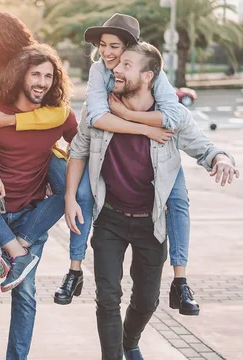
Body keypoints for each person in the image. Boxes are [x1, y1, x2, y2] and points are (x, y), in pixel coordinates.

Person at [66, 41, 239, 360]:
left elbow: (204, 146)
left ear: (147, 76)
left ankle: (129, 342)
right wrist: (70, 197)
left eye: (126, 65)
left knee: (147, 301)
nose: (116, 68)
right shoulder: (99, 109)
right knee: (107, 297)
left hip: (152, 223)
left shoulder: (172, 116)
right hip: (110, 218)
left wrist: (222, 159)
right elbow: (78, 149)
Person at [70, 13, 199, 315]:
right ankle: (74, 269)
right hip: (105, 166)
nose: (107, 52)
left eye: (115, 46)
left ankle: (180, 281)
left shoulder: (151, 74)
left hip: (159, 155)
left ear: (130, 48)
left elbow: (173, 118)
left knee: (178, 199)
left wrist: (131, 116)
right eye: (103, 45)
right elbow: (97, 117)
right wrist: (144, 128)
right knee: (83, 197)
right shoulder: (99, 71)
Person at [0, 12, 90, 294]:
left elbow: (59, 113)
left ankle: (61, 263)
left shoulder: (33, 66)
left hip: (44, 150)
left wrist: (11, 121)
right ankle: (15, 249)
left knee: (72, 187)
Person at [0, 43, 81, 360]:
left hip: (31, 216)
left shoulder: (58, 117)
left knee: (25, 293)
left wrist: (62, 171)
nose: (42, 82)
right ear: (22, 75)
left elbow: (84, 147)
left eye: (49, 76)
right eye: (36, 74)